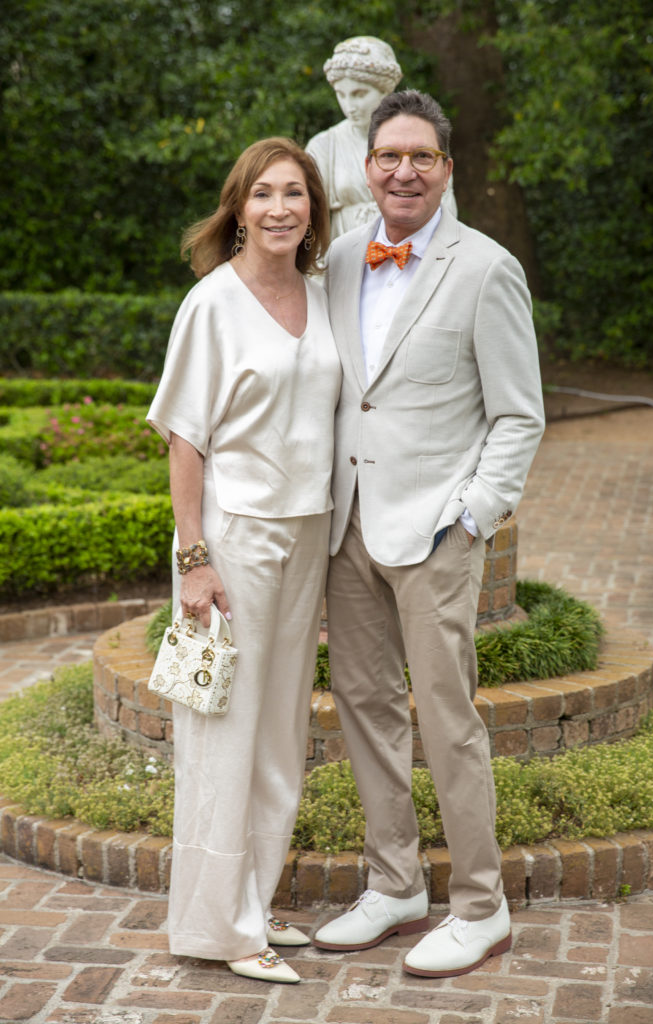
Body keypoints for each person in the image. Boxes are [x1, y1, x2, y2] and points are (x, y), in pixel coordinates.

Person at [313, 91, 545, 978]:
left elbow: (519, 414)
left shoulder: (485, 268)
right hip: (349, 530)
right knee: (366, 713)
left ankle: (479, 906)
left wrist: (473, 516)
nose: (402, 171)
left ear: (447, 168)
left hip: (437, 533)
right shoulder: (336, 258)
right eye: (387, 157)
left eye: (420, 156)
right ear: (366, 168)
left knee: (447, 721)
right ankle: (394, 884)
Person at [147, 138, 340, 985]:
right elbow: (183, 437)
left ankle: (251, 901)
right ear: (238, 208)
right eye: (262, 194)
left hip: (306, 539)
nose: (278, 208)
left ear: (312, 210)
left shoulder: (323, 295)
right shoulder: (212, 304)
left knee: (278, 732)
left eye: (293, 193)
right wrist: (194, 559)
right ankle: (220, 929)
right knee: (223, 731)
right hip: (232, 540)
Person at [306, 36, 456, 241]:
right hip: (346, 259)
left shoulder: (423, 142)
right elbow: (310, 219)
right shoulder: (323, 146)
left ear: (385, 90)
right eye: (341, 94)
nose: (349, 105)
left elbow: (446, 211)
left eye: (359, 94)